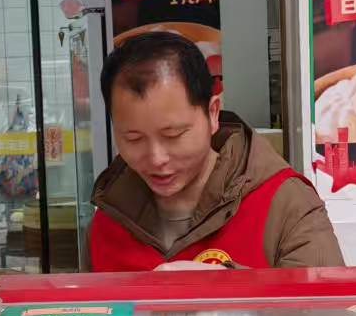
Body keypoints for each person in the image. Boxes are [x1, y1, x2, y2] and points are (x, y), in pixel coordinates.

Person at [87, 31, 342, 271]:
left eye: (173, 135)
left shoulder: (284, 203)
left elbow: (331, 301)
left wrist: (224, 287)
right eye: (133, 139)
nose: (156, 158)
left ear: (212, 113)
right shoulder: (109, 218)